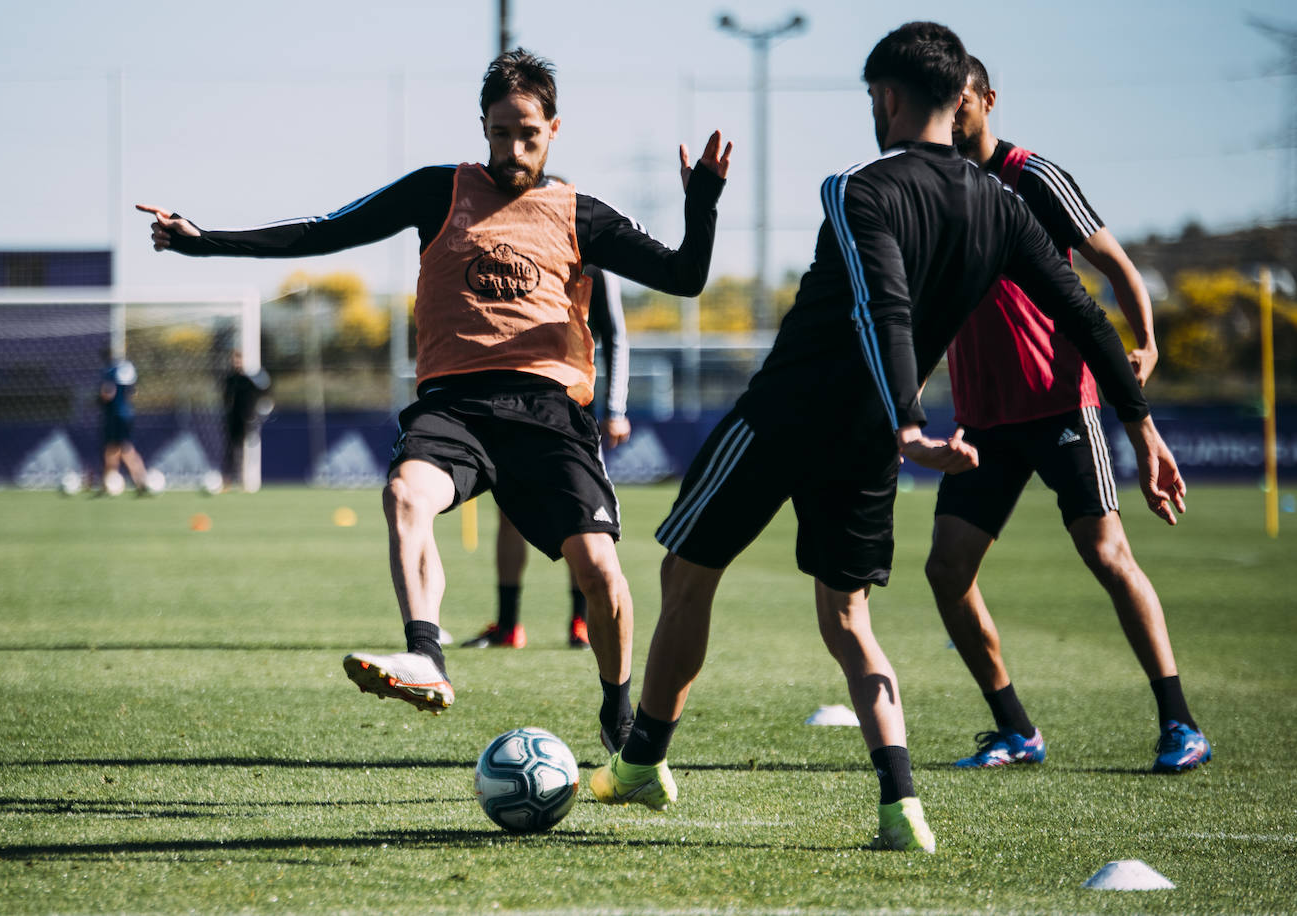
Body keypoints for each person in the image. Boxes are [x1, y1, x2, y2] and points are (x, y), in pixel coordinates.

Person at [589, 21, 1186, 853]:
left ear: (889, 97)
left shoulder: (857, 185)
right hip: (870, 440)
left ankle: (645, 760)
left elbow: (883, 307)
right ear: (960, 96)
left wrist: (909, 418)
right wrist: (1141, 424)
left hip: (785, 416)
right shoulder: (1002, 205)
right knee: (847, 616)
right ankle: (901, 807)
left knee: (687, 574)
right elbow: (1084, 314)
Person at [138, 48, 731, 752]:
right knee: (404, 496)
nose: (514, 147)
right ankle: (426, 654)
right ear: (483, 125)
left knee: (600, 570)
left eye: (529, 133)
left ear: (554, 129)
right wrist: (206, 242)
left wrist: (701, 205)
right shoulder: (437, 191)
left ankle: (617, 711)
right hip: (454, 409)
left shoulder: (582, 214)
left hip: (549, 415)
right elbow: (326, 230)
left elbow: (687, 277)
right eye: (501, 131)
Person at [923, 57, 1210, 773]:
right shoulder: (934, 191)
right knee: (946, 570)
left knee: (1107, 555)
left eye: (962, 100)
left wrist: (1146, 344)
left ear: (988, 100)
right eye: (941, 101)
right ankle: (1015, 729)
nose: (952, 112)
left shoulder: (1034, 178)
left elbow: (1114, 263)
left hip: (1059, 401)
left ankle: (1180, 724)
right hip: (983, 418)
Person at [463, 261, 631, 650]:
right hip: (515, 404)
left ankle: (581, 623)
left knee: (583, 522)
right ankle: (508, 626)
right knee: (507, 515)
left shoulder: (597, 265)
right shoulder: (523, 254)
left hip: (573, 410)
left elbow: (616, 337)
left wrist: (617, 409)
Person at [98, 347, 148, 494]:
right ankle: (114, 482)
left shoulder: (109, 371)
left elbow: (108, 393)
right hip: (128, 413)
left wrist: (99, 399)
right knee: (119, 449)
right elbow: (133, 392)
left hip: (114, 415)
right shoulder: (128, 369)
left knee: (117, 449)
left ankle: (137, 480)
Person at [222, 349, 271, 490]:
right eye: (235, 360)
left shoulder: (250, 380)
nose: (237, 362)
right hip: (232, 418)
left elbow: (264, 391)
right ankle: (228, 480)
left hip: (248, 419)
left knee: (247, 448)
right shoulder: (230, 379)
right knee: (231, 449)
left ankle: (246, 480)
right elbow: (226, 399)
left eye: (239, 359)